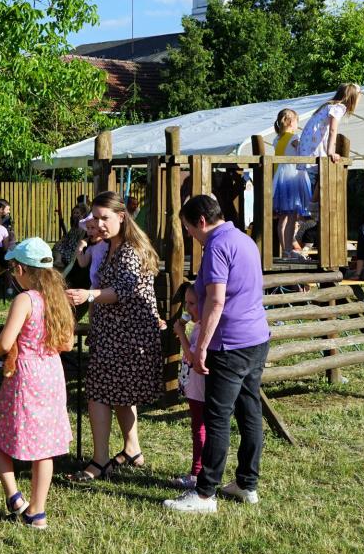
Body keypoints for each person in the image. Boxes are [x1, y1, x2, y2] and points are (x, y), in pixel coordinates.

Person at [164, 194, 269, 514]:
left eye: (188, 229)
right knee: (250, 412)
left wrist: (201, 347)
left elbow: (216, 301)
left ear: (201, 221)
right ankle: (246, 484)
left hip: (229, 344)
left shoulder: (216, 247)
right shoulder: (244, 240)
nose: (190, 235)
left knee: (217, 418)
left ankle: (204, 494)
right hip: (256, 339)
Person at [65, 191, 162, 482]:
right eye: (95, 218)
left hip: (127, 336)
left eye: (104, 218)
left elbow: (123, 289)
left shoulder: (129, 250)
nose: (98, 224)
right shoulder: (109, 246)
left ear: (121, 216)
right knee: (119, 393)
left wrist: (89, 295)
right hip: (115, 333)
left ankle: (99, 462)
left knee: (98, 393)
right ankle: (132, 450)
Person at [0, 238, 74, 529]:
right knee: (44, 448)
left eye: (13, 268)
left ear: (21, 269)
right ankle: (37, 511)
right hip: (52, 373)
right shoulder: (58, 298)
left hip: (26, 375)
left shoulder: (25, 300)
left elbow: (4, 343)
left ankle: (14, 496)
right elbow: (68, 344)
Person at [170, 288, 207, 491]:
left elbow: (192, 358)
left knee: (199, 427)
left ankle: (197, 473)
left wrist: (181, 334)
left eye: (192, 304)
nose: (187, 308)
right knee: (199, 426)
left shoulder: (203, 329)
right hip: (194, 384)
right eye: (186, 303)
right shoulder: (200, 325)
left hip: (199, 386)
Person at [271, 108, 312, 259]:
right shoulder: (294, 137)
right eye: (296, 121)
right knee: (292, 215)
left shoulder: (277, 139)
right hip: (292, 177)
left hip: (279, 178)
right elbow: (303, 150)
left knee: (283, 217)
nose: (297, 124)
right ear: (290, 122)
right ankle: (288, 249)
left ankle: (285, 249)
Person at [296, 83, 360, 178]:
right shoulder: (338, 108)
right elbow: (332, 130)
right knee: (316, 176)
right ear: (352, 99)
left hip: (307, 145)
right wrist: (331, 152)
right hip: (313, 148)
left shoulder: (328, 106)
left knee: (309, 177)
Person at [73, 214, 108, 290]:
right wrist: (79, 248)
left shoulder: (106, 244)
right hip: (94, 285)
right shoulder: (91, 248)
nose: (89, 231)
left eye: (92, 228)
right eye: (88, 228)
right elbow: (83, 263)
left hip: (105, 284)